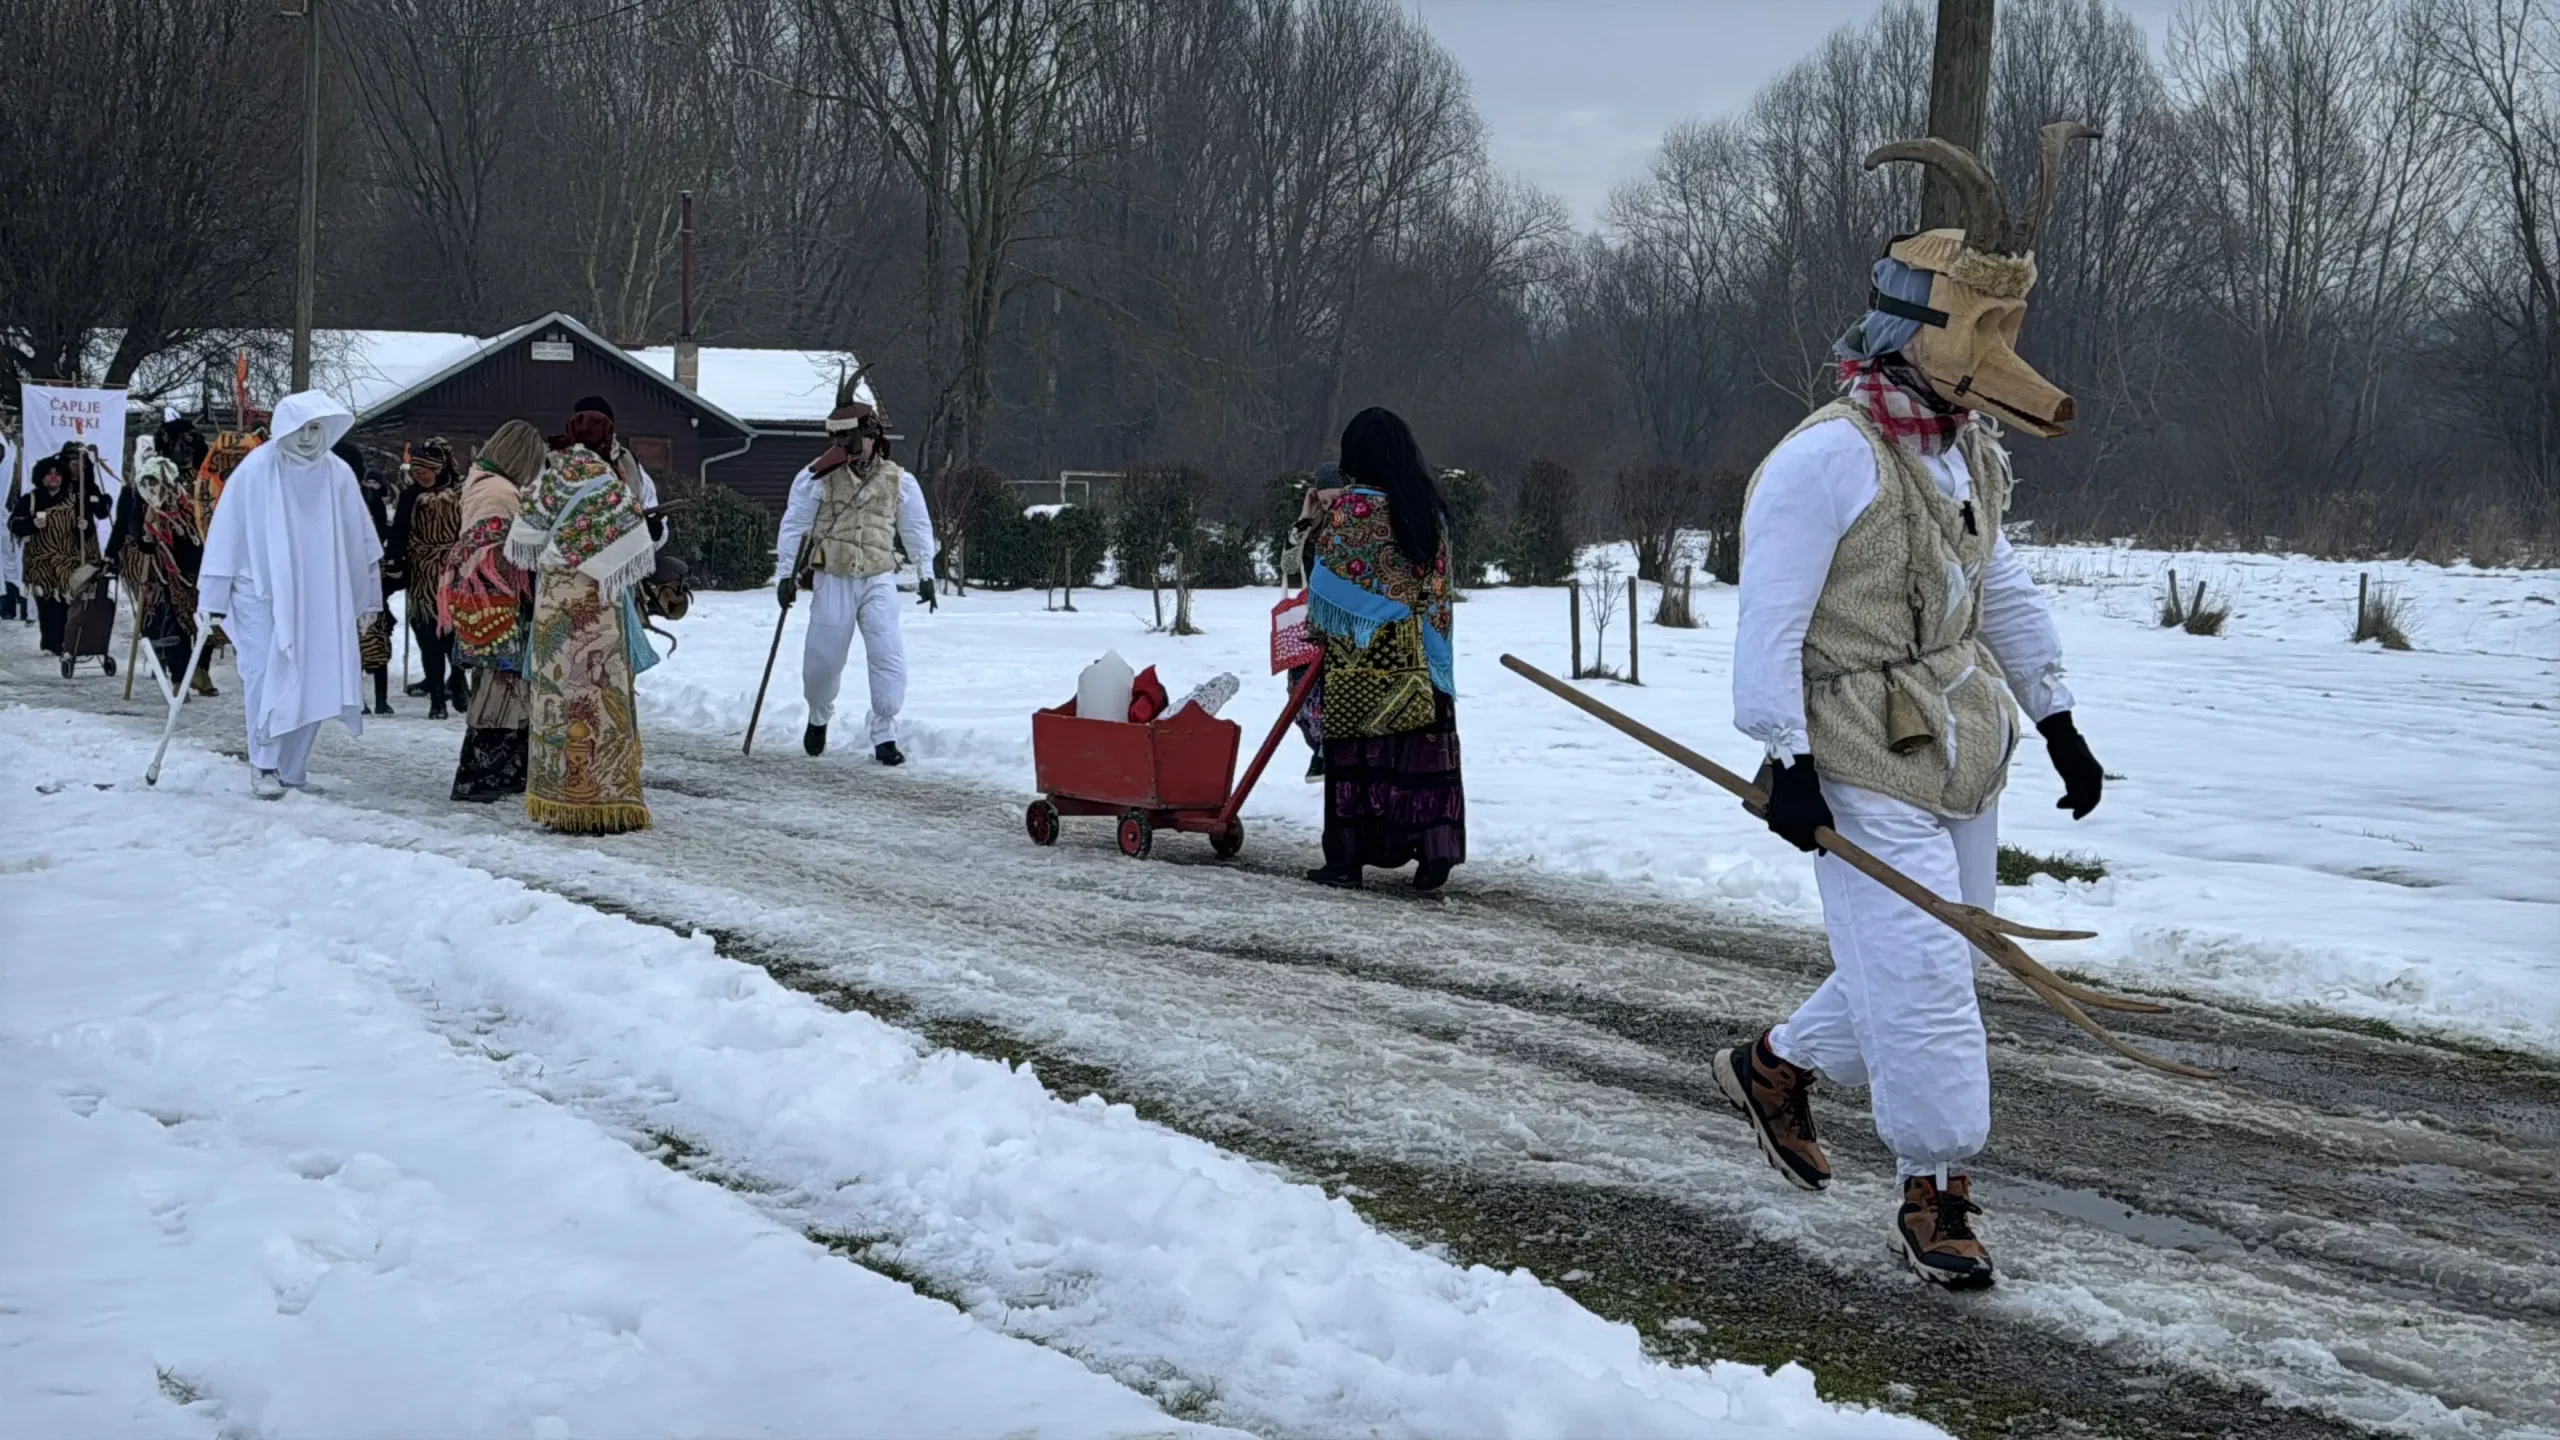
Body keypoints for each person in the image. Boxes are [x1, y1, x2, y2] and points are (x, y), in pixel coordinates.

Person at [1715, 127, 2109, 1291]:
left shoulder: (1965, 449)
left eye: (2010, 334)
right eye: (1983, 331)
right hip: (1851, 744)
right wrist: (1783, 757)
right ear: (1919, 328)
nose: (2004, 358)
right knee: (1929, 972)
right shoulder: (1823, 460)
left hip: (1956, 739)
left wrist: (2056, 715)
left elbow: (2000, 583)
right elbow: (1769, 621)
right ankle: (1937, 1191)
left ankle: (1777, 1064)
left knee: (1947, 940)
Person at [1301, 407, 1464, 892]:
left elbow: (1322, 580)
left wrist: (1308, 522)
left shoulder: (1349, 512)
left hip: (1359, 659)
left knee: (1356, 760)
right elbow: (1438, 587)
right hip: (1417, 655)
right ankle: (1435, 855)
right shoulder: (1427, 510)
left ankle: (1346, 860)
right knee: (1425, 759)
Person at [195, 391, 384, 799]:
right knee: (265, 676)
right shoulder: (256, 470)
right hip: (260, 593)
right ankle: (263, 763)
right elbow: (227, 536)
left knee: (313, 677)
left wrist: (369, 597)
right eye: (299, 429)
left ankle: (292, 768)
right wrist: (212, 596)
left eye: (315, 428)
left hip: (320, 597)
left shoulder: (336, 474)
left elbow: (359, 542)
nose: (306, 438)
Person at [771, 380, 936, 765]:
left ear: (872, 437)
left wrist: (925, 572)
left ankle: (885, 732)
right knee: (823, 661)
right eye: (838, 440)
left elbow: (916, 527)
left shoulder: (899, 480)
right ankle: (818, 714)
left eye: (851, 439)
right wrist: (785, 574)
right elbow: (795, 526)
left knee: (887, 654)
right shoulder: (815, 477)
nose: (844, 448)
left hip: (879, 577)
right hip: (834, 576)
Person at [509, 404, 657, 834]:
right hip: (598, 599)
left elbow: (523, 540)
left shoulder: (547, 481)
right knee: (599, 695)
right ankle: (607, 797)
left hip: (555, 597)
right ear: (607, 441)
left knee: (556, 696)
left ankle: (557, 799)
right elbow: (637, 545)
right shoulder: (609, 488)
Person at [439, 420, 544, 802]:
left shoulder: (482, 484)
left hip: (482, 600)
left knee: (503, 685)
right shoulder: (500, 493)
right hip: (496, 602)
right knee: (501, 687)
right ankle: (483, 773)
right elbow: (501, 551)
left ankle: (504, 771)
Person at [106, 451, 218, 697]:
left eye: (155, 482)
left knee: (205, 622)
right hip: (161, 571)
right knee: (174, 622)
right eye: (147, 482)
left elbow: (203, 524)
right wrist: (143, 537)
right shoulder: (136, 497)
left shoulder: (188, 496)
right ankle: (180, 677)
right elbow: (130, 525)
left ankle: (200, 671)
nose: (151, 487)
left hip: (195, 567)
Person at [7, 447, 112, 658]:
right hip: (41, 562)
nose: (53, 478)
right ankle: (49, 642)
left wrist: (84, 526)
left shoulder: (75, 498)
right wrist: (31, 524)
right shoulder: (31, 499)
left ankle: (67, 642)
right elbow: (14, 524)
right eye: (49, 475)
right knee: (47, 602)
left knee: (69, 601)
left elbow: (92, 520)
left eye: (57, 474)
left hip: (69, 560)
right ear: (41, 477)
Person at [389, 438, 468, 718]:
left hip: (453, 573)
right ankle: (437, 697)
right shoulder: (411, 496)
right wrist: (394, 560)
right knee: (425, 632)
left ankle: (458, 681)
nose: (418, 476)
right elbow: (399, 530)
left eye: (424, 471)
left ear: (438, 468)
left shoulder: (461, 493)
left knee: (452, 633)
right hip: (422, 574)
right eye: (415, 471)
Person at [1281, 462, 1347, 782]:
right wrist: (1305, 517)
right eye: (1324, 501)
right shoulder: (1312, 527)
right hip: (1310, 619)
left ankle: (1328, 751)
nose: (1331, 506)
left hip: (1342, 620)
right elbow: (1288, 564)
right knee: (1300, 691)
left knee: (1330, 687)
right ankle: (1318, 747)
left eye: (1336, 498)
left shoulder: (1355, 527)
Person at [337, 440, 399, 715]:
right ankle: (375, 698)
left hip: (358, 571)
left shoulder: (357, 496)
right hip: (367, 570)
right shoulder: (364, 494)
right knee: (372, 634)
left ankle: (365, 697)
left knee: (359, 635)